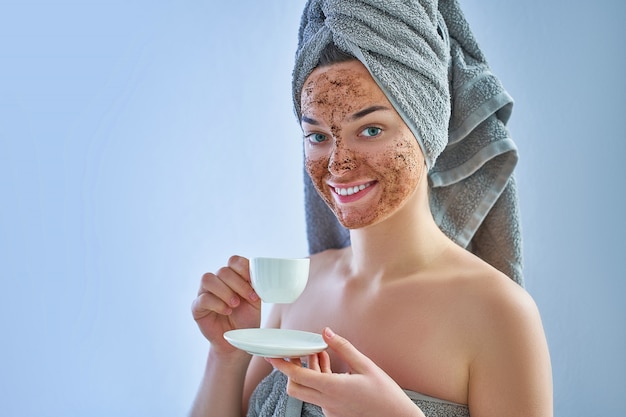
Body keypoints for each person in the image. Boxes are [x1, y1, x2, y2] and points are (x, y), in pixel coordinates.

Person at [190, 1, 553, 416]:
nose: (337, 165)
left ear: (427, 129)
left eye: (371, 129)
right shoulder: (298, 290)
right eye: (318, 136)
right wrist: (225, 356)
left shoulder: (499, 314)